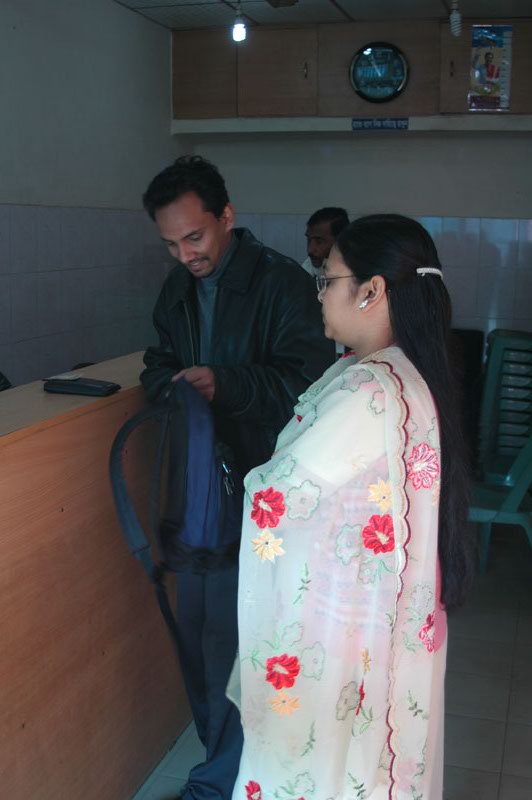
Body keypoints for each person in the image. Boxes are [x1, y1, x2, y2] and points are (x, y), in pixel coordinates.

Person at [230, 215, 475, 799]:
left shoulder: (369, 392)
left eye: (327, 279)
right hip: (371, 615)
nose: (319, 293)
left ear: (371, 290)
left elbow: (278, 496)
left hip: (347, 629)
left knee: (332, 768)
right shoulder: (397, 371)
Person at [140, 155, 335, 800]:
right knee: (199, 631)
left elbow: (308, 389)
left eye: (194, 237)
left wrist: (225, 384)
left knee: (238, 636)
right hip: (202, 488)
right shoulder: (176, 290)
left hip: (264, 490)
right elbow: (157, 362)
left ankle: (223, 778)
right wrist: (171, 385)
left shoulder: (281, 283)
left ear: (226, 216)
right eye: (171, 244)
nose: (185, 255)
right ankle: (221, 761)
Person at [301, 206, 349, 275]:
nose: (310, 250)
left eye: (319, 242)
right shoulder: (308, 266)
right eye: (309, 240)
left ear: (340, 241)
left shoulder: (355, 273)